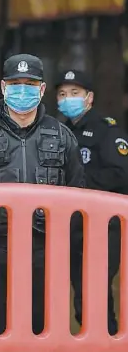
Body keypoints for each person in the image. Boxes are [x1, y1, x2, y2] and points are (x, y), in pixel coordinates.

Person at [0, 54, 85, 335]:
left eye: (30, 84)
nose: (22, 91)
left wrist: (62, 245)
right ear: (3, 87)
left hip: (45, 251)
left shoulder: (62, 137)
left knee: (42, 327)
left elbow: (78, 197)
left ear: (41, 89)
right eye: (16, 84)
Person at [55, 69, 127, 335]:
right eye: (62, 94)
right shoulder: (59, 131)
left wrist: (77, 180)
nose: (68, 99)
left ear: (89, 98)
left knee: (94, 293)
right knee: (81, 296)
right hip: (72, 228)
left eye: (75, 93)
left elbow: (120, 174)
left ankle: (105, 339)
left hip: (101, 228)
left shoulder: (106, 131)